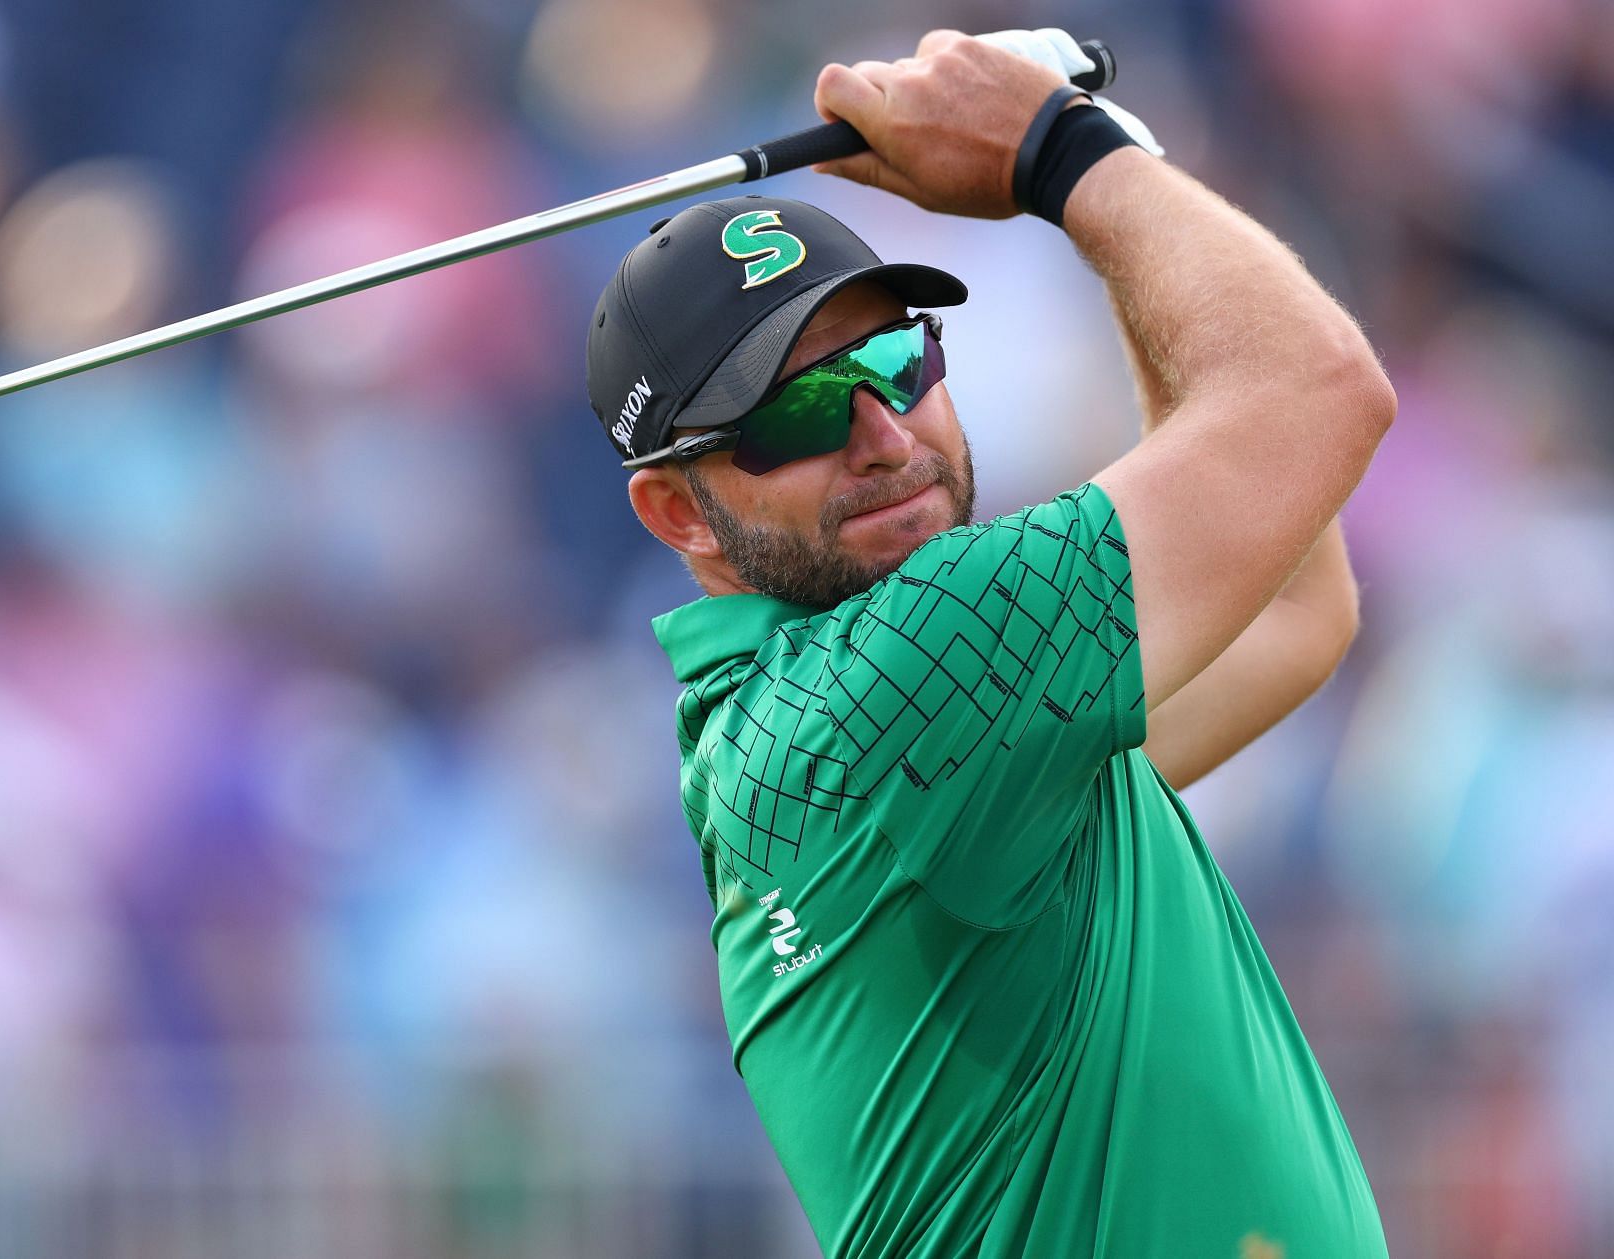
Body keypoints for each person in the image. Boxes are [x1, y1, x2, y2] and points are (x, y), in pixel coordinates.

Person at [583, 27, 1396, 1259]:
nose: (883, 435)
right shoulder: (906, 682)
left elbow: (1292, 606)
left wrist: (1109, 164)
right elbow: (1319, 390)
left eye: (897, 358)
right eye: (797, 407)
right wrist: (1067, 154)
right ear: (679, 509)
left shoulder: (930, 714)